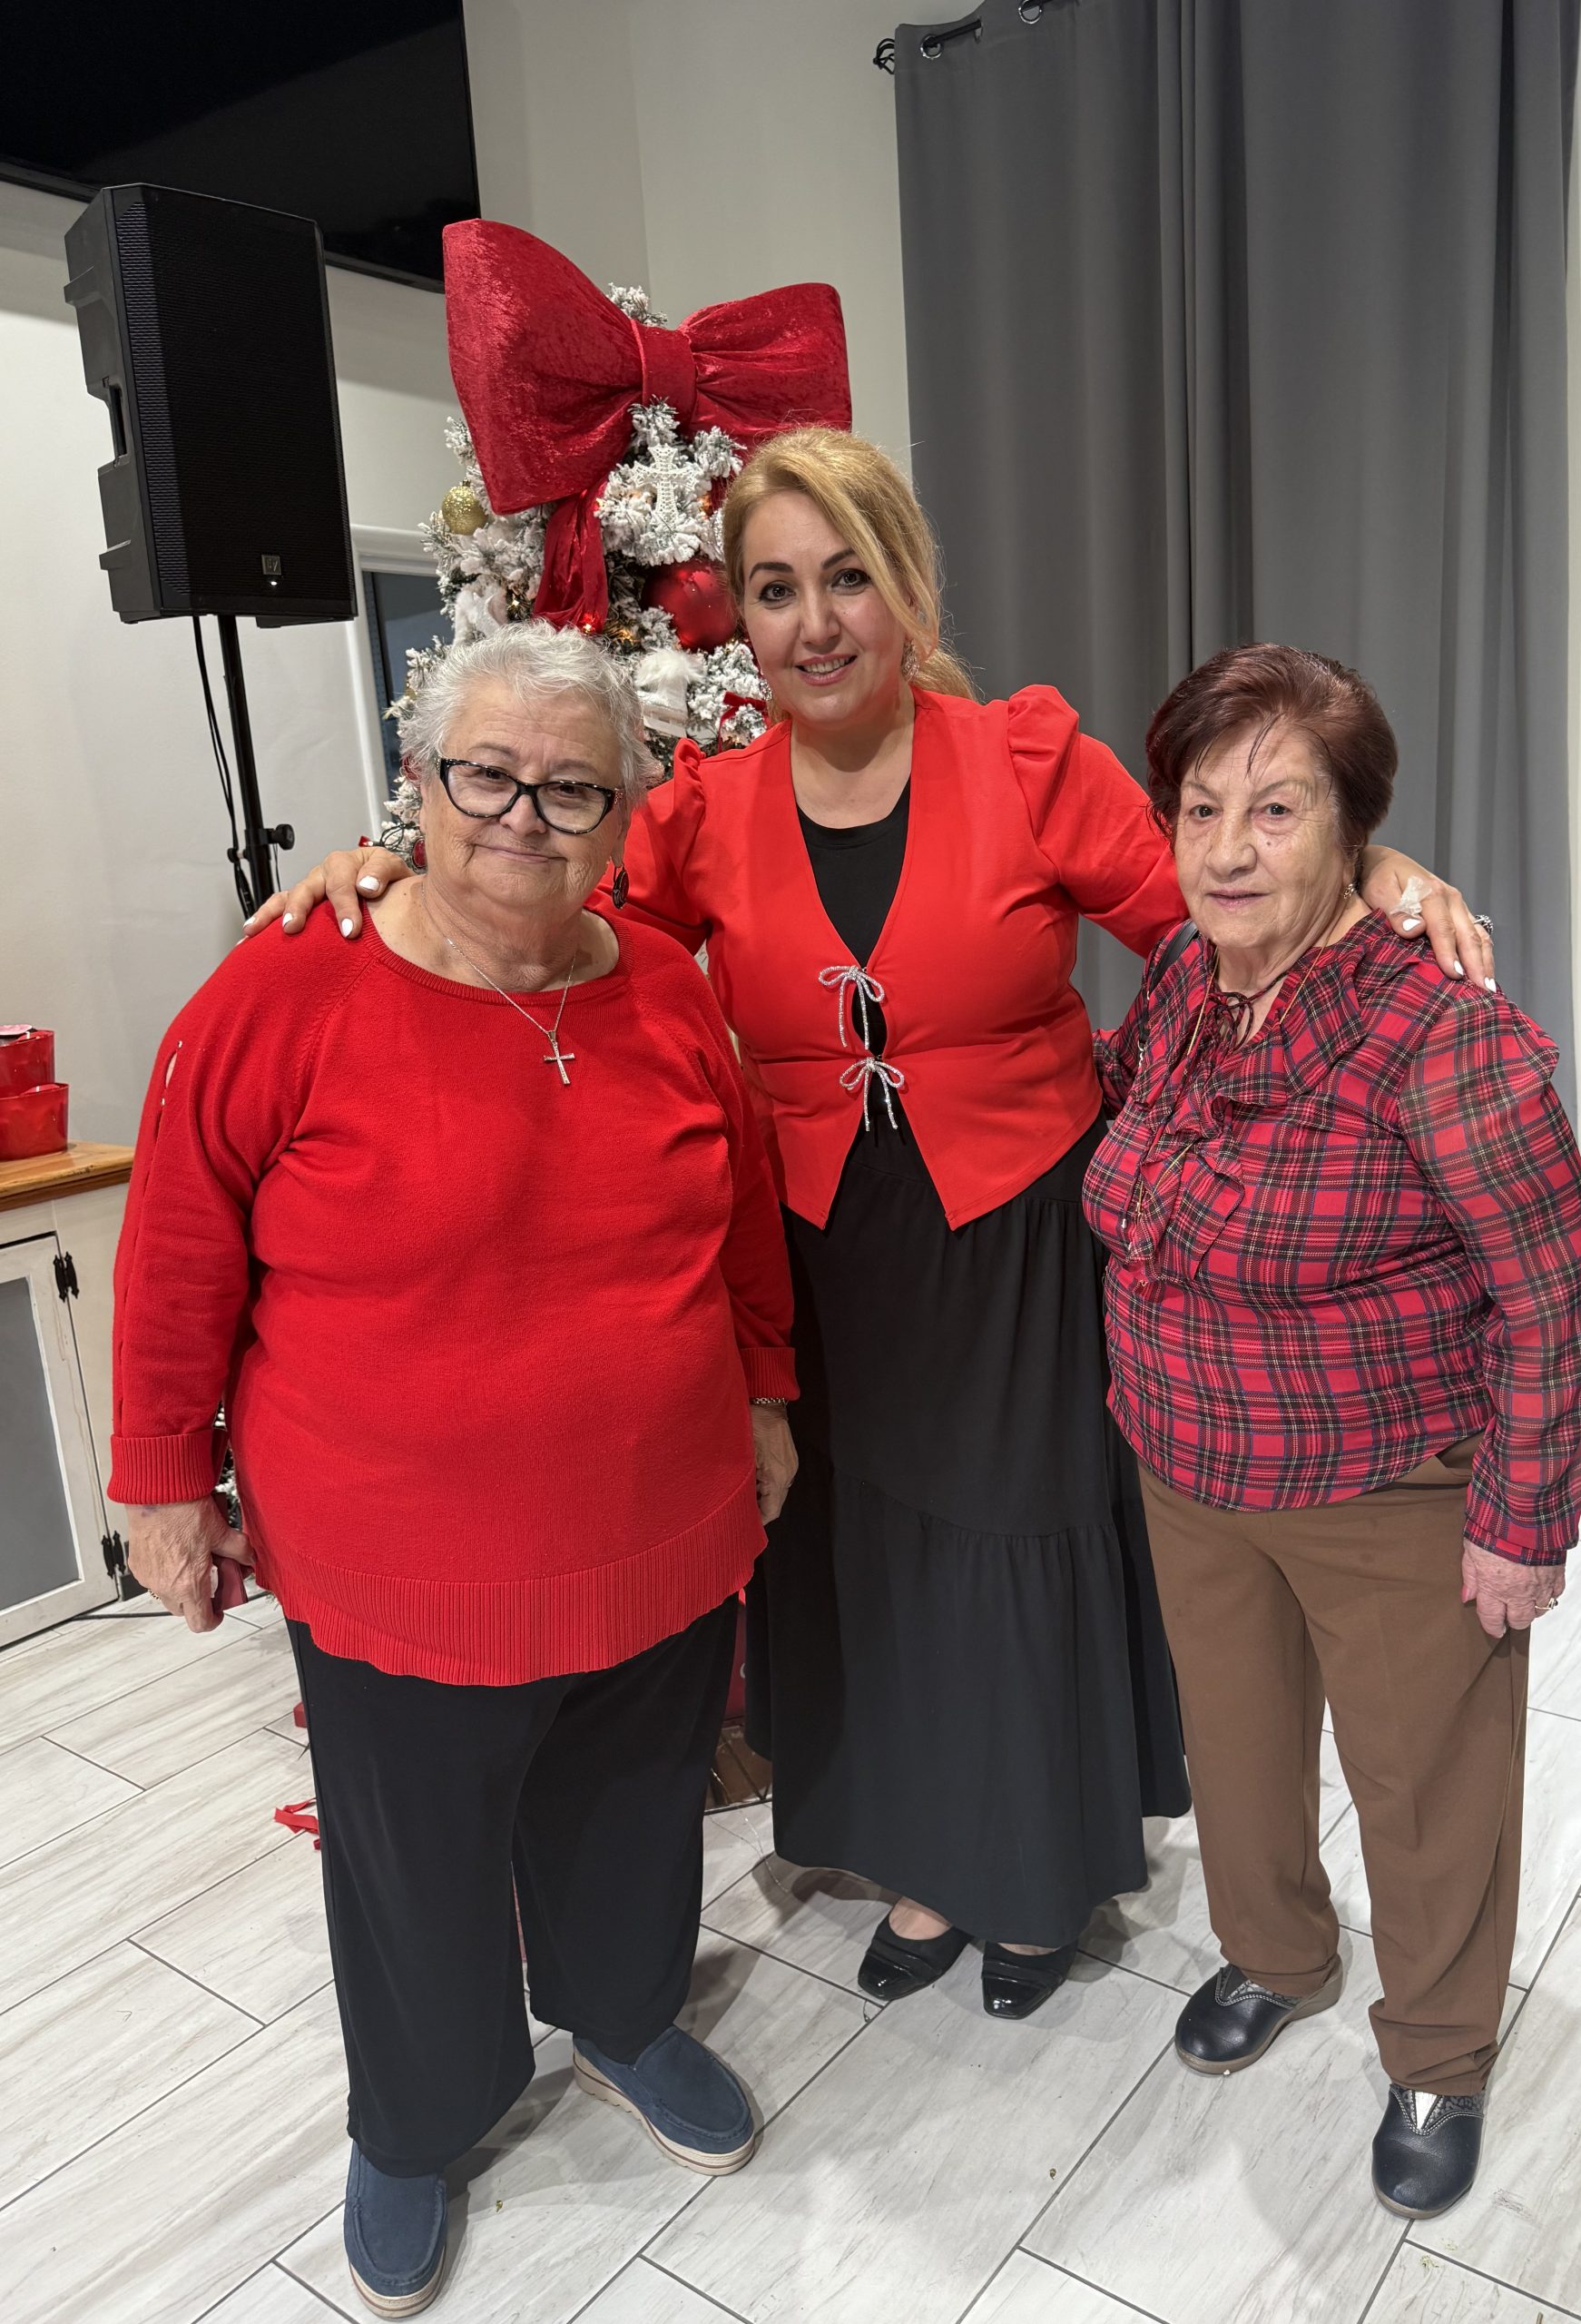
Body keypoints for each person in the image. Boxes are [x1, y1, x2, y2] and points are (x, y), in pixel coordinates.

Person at [254, 428, 1493, 2023]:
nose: (815, 621)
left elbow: (1219, 904)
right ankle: (921, 1858)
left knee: (1013, 1545)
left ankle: (1033, 1870)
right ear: (743, 616)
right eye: (775, 589)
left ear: (905, 587)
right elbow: (539, 912)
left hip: (1016, 1236)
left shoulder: (1028, 757)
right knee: (868, 1557)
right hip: (818, 1245)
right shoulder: (702, 808)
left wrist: (1373, 864)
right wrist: (390, 870)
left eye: (847, 577)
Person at [112, 624, 800, 2318]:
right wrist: (160, 1480)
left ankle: (626, 2020)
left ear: (624, 813)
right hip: (397, 1562)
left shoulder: (667, 987)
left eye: (573, 788)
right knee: (412, 1862)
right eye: (484, 775)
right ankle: (417, 2120)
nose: (522, 818)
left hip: (656, 1525)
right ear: (415, 783)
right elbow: (178, 1244)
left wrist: (768, 1397)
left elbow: (744, 1221)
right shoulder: (289, 989)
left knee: (633, 1811)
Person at [1086, 643, 1581, 2220]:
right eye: (1202, 809)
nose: (1229, 849)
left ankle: (1439, 2051)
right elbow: (1120, 1124)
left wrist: (1521, 1524)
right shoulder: (1184, 982)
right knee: (1237, 1748)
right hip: (1190, 1462)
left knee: (1425, 1788)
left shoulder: (1443, 1036)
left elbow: (1552, 1292)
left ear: (1353, 829)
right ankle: (1277, 1955)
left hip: (1387, 1488)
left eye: (1278, 809)